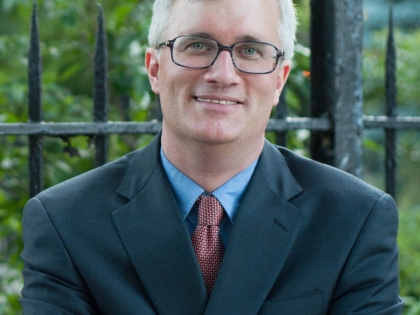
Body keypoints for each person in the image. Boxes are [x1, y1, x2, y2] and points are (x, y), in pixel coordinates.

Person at [20, 0, 403, 313]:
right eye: (198, 45)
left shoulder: (353, 220)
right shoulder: (65, 223)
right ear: (155, 69)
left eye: (250, 50)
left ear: (279, 81)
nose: (223, 73)